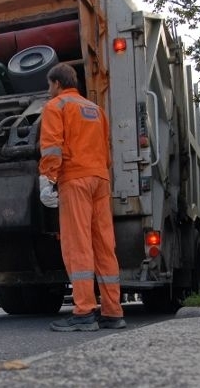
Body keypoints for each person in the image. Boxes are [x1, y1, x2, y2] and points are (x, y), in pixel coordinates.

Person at [38, 63, 126, 332]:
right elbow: (107, 152)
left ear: (56, 83)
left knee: (78, 246)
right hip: (100, 180)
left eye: (49, 85)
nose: (49, 90)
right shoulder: (96, 110)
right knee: (103, 245)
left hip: (75, 180)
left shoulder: (56, 106)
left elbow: (53, 147)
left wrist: (47, 179)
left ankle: (84, 312)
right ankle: (113, 312)